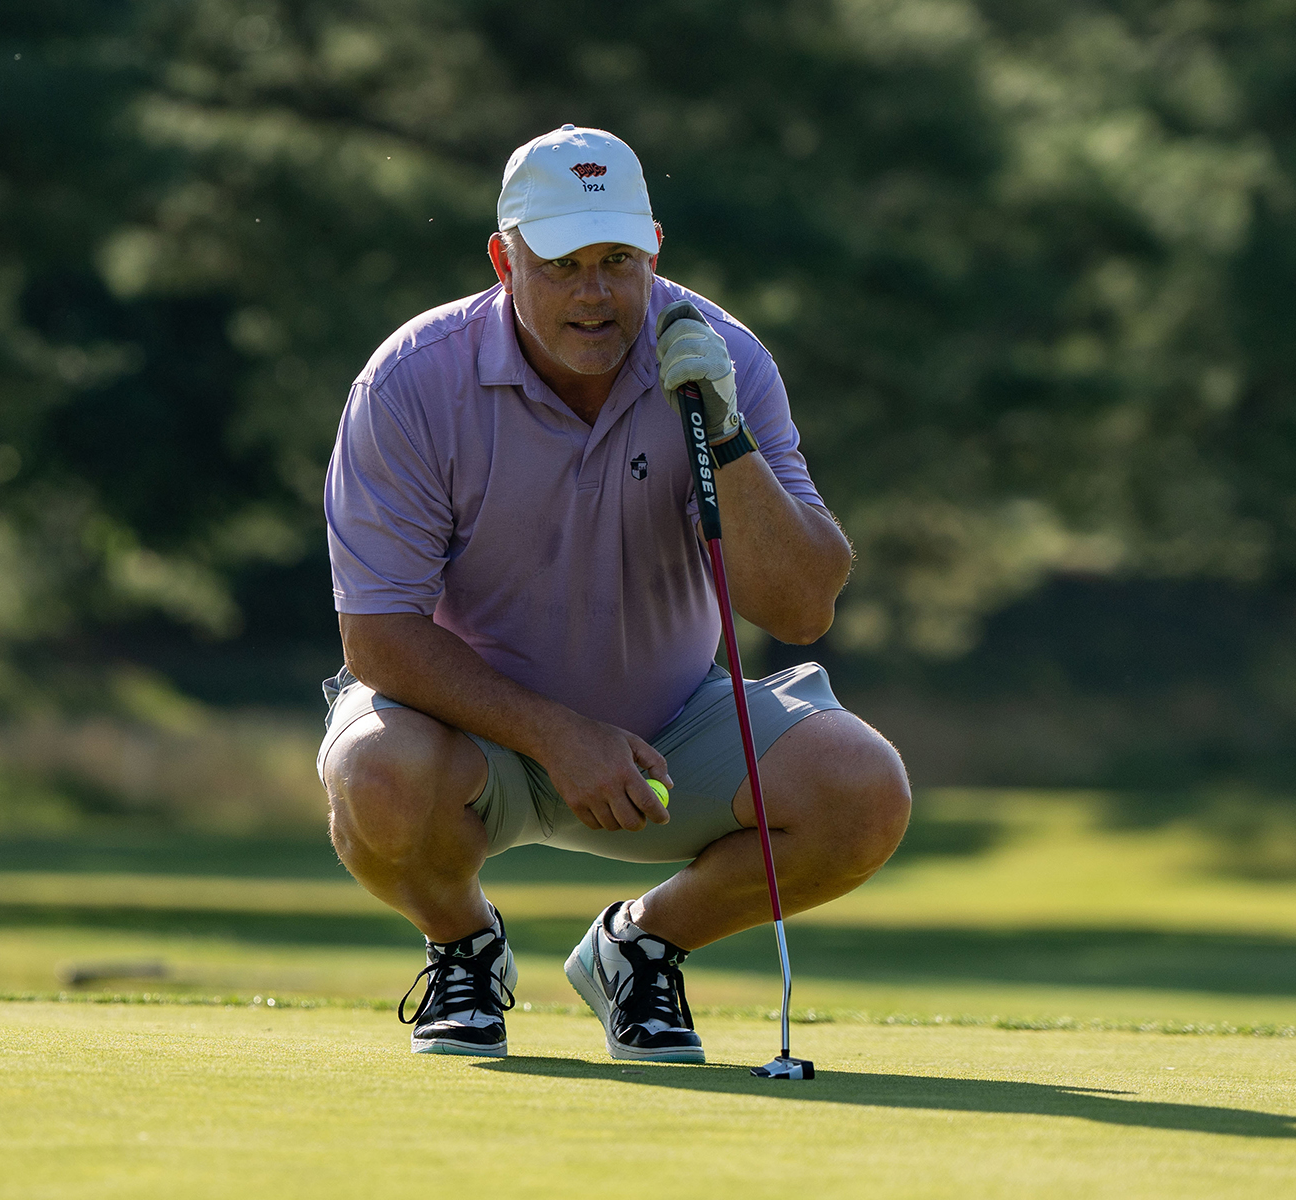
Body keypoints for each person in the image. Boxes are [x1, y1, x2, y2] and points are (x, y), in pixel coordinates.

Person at [319, 124, 911, 1062]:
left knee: (863, 793)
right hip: (468, 736)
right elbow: (379, 637)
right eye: (561, 265)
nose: (594, 294)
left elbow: (801, 610)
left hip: (670, 726)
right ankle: (463, 947)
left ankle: (639, 950)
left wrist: (723, 429)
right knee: (376, 779)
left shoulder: (721, 357)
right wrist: (559, 737)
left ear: (654, 251)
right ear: (503, 260)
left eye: (616, 262)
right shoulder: (412, 382)